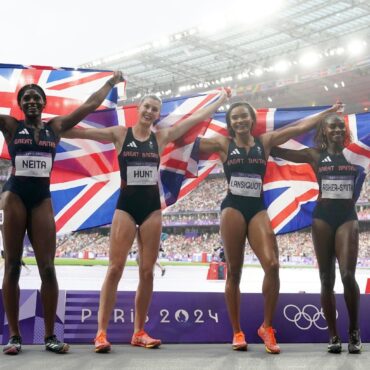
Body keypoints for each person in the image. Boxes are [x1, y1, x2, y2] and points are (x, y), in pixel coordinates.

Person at [62, 89, 230, 353]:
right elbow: (82, 134)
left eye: (154, 109)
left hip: (152, 208)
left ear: (157, 115)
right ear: (138, 108)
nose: (150, 111)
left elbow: (195, 119)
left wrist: (220, 100)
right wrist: (53, 129)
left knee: (147, 271)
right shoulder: (120, 134)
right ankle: (101, 333)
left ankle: (139, 331)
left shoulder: (160, 137)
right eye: (146, 106)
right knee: (115, 268)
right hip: (126, 207)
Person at [198, 101, 343, 354]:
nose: (240, 121)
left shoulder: (264, 142)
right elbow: (188, 142)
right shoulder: (222, 144)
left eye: (244, 117)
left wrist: (327, 113)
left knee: (273, 265)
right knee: (234, 272)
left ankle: (266, 327)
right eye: (235, 118)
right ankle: (237, 331)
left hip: (257, 207)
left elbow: (298, 127)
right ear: (230, 123)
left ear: (252, 120)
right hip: (232, 207)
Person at [0, 71, 124, 355]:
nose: (32, 101)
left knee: (47, 268)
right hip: (14, 195)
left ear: (43, 104)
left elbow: (89, 105)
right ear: (20, 104)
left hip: (41, 197)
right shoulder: (10, 125)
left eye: (36, 98)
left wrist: (110, 83)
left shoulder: (55, 128)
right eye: (26, 98)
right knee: (13, 266)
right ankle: (14, 336)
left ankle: (50, 336)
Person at [271, 111, 364, 354]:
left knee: (347, 275)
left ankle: (354, 331)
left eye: (340, 128)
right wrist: (263, 137)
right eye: (332, 127)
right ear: (324, 131)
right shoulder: (314, 155)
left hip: (347, 218)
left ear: (346, 131)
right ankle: (333, 335)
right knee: (326, 279)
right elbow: (275, 149)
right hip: (322, 218)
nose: (337, 130)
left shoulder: (355, 155)